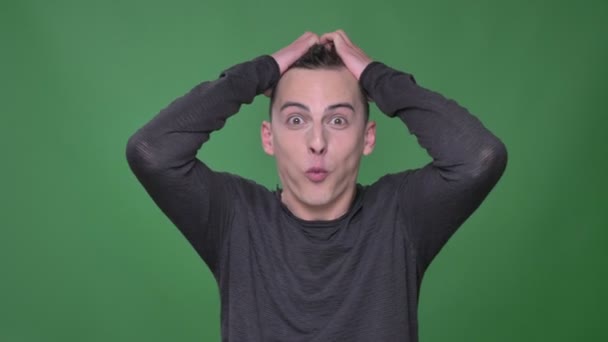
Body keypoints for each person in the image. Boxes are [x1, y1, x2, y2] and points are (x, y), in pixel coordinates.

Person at [126, 30, 508, 342]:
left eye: (338, 120)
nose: (317, 142)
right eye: (296, 120)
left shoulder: (400, 216)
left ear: (368, 137)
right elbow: (152, 151)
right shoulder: (234, 220)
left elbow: (478, 158)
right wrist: (262, 70)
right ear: (268, 137)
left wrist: (375, 75)